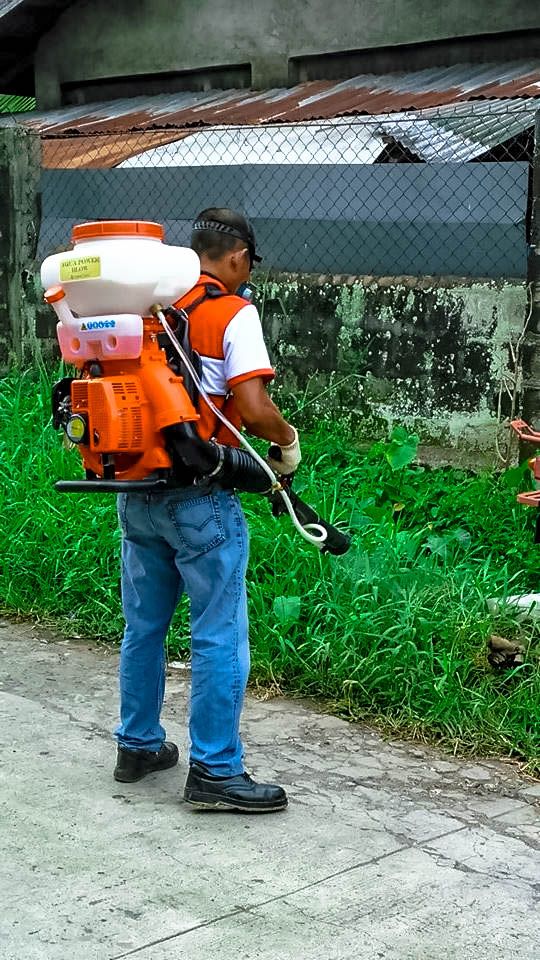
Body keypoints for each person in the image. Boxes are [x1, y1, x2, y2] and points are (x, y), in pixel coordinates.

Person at [113, 208, 301, 813]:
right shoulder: (233, 313)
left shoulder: (151, 309)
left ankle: (138, 745)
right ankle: (216, 770)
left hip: (136, 492)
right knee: (219, 632)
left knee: (144, 627)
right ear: (239, 257)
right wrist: (287, 442)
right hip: (200, 498)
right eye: (249, 265)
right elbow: (253, 404)